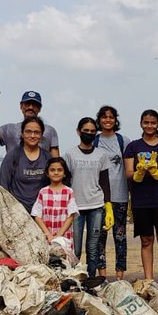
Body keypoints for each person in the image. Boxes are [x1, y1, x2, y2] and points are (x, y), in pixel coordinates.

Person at [124, 109, 158, 287]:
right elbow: (128, 173)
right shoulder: (133, 147)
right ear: (141, 124)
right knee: (146, 240)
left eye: (153, 122)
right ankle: (149, 280)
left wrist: (155, 172)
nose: (149, 126)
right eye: (146, 122)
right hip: (141, 201)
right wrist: (139, 172)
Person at [65, 118, 113, 278]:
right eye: (86, 131)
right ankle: (75, 278)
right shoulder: (70, 154)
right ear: (78, 132)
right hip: (76, 207)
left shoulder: (101, 155)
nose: (89, 134)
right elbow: (66, 181)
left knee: (93, 247)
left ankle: (91, 279)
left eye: (93, 132)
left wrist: (108, 205)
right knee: (75, 248)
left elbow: (105, 181)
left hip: (96, 205)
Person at [94, 105, 130, 281]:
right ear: (99, 120)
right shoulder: (94, 141)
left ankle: (119, 276)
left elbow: (130, 170)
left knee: (120, 237)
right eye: (104, 117)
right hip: (99, 197)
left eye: (111, 117)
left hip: (121, 195)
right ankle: (102, 276)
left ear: (116, 120)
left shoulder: (124, 141)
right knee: (100, 237)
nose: (108, 120)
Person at [0, 88, 60, 156]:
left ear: (39, 109)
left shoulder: (50, 131)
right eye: (27, 104)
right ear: (21, 106)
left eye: (34, 104)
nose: (30, 107)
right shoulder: (9, 129)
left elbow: (56, 162)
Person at [0, 117, 51, 212]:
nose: (32, 135)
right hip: (18, 211)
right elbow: (3, 188)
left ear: (42, 135)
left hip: (42, 211)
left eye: (36, 132)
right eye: (28, 131)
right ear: (22, 134)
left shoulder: (47, 157)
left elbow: (54, 184)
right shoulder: (12, 156)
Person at [32, 157, 78, 248]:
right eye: (52, 170)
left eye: (59, 170)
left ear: (64, 173)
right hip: (46, 237)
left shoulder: (69, 192)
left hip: (64, 237)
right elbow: (36, 215)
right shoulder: (43, 192)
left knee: (64, 260)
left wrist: (59, 235)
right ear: (47, 173)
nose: (56, 173)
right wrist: (48, 234)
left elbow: (71, 215)